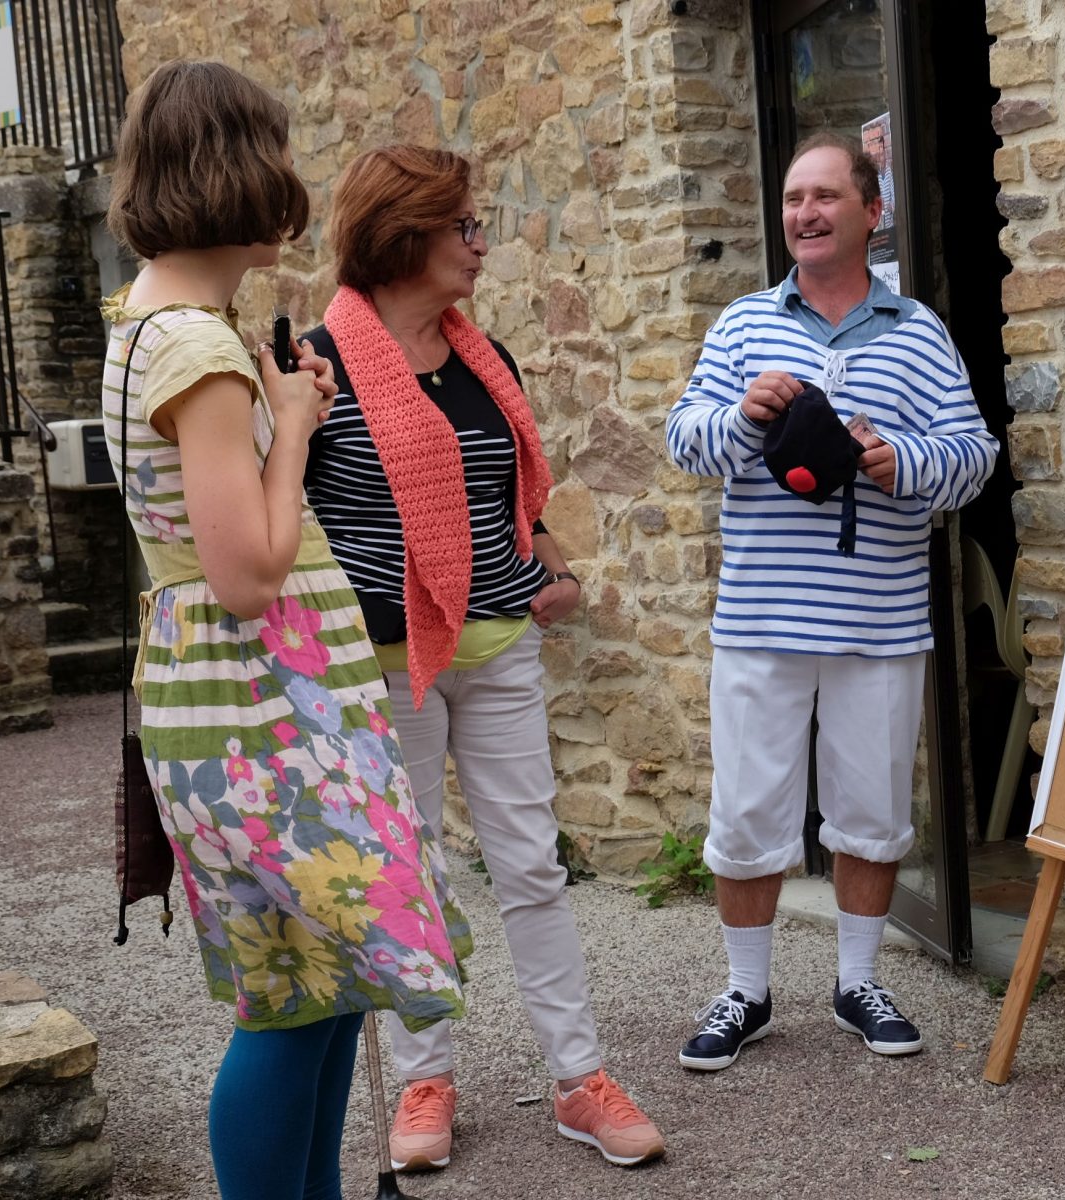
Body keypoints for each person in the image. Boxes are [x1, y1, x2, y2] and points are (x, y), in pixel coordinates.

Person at [102, 62, 471, 1200]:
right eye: (272, 151)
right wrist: (298, 423)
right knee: (289, 1006)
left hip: (243, 705)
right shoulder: (194, 349)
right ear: (235, 169)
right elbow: (248, 572)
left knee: (320, 992)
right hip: (262, 710)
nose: (289, 179)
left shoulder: (159, 324)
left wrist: (279, 411)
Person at [301, 144, 665, 1171]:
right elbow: (289, 508)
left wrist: (546, 560)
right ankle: (424, 1079)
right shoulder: (316, 361)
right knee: (407, 873)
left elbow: (513, 497)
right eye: (463, 225)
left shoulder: (481, 355)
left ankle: (577, 1076)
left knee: (530, 867)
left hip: (498, 642)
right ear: (402, 234)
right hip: (381, 659)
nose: (480, 242)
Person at [665, 131, 997, 1071]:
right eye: (793, 199)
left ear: (870, 211)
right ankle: (747, 992)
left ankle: (857, 983)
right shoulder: (739, 326)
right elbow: (685, 440)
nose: (804, 214)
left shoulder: (920, 331)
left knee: (874, 811)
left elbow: (974, 459)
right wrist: (742, 417)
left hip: (880, 621)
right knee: (745, 816)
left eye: (824, 197)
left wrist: (905, 462)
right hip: (762, 618)